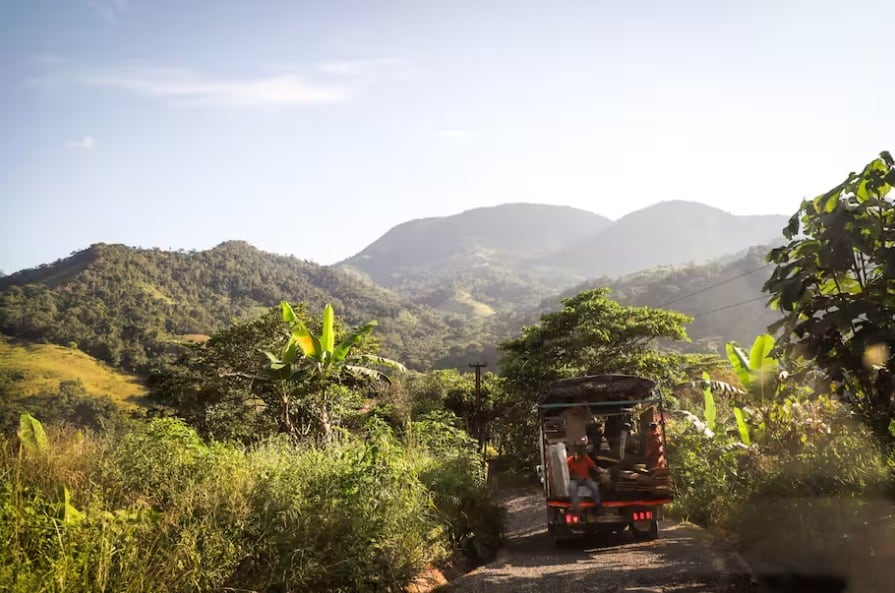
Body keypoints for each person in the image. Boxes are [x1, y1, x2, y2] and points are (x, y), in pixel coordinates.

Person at [566, 441, 601, 512]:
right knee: (572, 488)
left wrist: (599, 472)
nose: (576, 457)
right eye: (575, 455)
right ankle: (576, 507)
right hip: (575, 479)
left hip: (585, 479)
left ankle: (597, 504)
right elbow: (567, 474)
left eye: (578, 456)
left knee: (594, 487)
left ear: (582, 456)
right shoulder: (569, 461)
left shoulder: (585, 458)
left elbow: (593, 465)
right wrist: (576, 478)